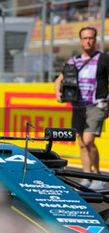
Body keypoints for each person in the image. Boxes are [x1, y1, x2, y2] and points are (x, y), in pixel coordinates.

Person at [55, 27, 109, 190]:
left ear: (95, 40)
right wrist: (57, 92)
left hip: (97, 104)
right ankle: (86, 177)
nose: (87, 41)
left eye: (91, 38)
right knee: (81, 143)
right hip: (78, 106)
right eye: (85, 38)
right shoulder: (73, 61)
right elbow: (60, 79)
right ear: (80, 40)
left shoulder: (104, 59)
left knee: (88, 140)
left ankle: (98, 176)